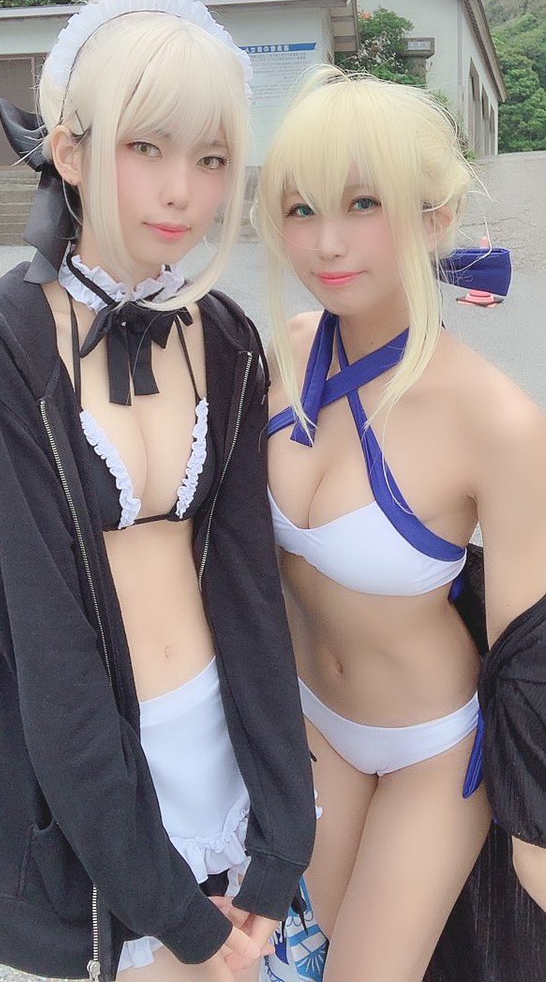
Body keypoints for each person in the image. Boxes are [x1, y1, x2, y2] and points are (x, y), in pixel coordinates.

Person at [0, 0, 315, 982]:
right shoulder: (9, 344)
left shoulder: (224, 338)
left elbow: (250, 591)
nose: (182, 191)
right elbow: (48, 648)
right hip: (87, 796)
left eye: (210, 158)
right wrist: (179, 917)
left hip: (224, 758)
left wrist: (282, 840)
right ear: (71, 150)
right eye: (146, 148)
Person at [254, 65, 546, 982]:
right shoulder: (285, 352)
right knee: (318, 963)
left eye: (363, 204)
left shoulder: (497, 422)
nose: (326, 242)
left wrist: (535, 833)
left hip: (431, 750)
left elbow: (530, 653)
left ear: (433, 218)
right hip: (311, 720)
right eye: (301, 209)